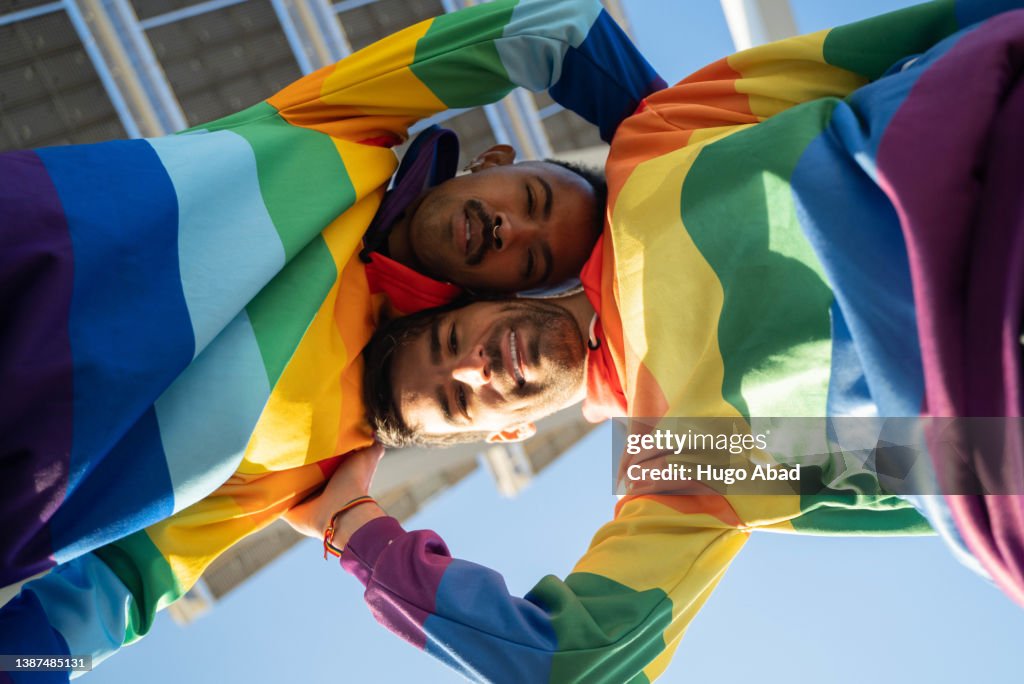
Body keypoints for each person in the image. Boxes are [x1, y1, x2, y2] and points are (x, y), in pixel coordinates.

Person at [287, 1, 1024, 681]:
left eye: (452, 340)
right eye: (457, 398)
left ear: (492, 300)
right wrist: (355, 531)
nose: (477, 366)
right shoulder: (679, 461)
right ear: (508, 429)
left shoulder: (654, 140)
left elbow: (905, 40)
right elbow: (569, 662)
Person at [0, 0, 664, 674]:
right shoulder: (343, 132)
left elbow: (119, 593)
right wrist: (676, 147)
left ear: (499, 293)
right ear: (495, 158)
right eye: (529, 199)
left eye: (529, 263)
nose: (509, 231)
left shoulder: (319, 460)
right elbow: (553, 27)